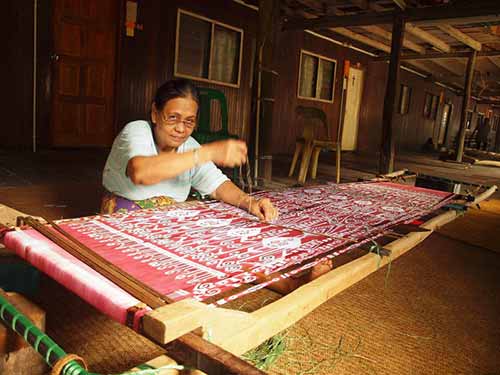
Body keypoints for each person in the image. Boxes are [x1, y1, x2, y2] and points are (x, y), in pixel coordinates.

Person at [101, 78, 277, 221]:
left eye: (189, 121)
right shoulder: (137, 130)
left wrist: (250, 202)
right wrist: (208, 152)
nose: (180, 128)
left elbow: (217, 186)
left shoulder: (190, 146)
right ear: (155, 113)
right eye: (172, 118)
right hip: (125, 222)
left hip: (169, 223)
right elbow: (140, 172)